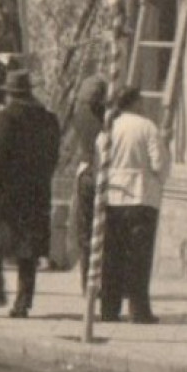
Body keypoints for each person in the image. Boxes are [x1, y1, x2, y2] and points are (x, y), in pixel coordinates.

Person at [0, 69, 59, 318]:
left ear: (10, 94)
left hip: (5, 193)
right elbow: (53, 156)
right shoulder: (48, 119)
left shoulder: (7, 117)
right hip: (35, 191)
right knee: (28, 250)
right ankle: (23, 303)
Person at [100, 86, 171, 324]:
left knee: (112, 256)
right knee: (139, 256)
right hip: (141, 197)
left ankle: (109, 308)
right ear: (136, 103)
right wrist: (158, 182)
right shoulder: (147, 127)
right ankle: (139, 310)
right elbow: (159, 162)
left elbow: (100, 158)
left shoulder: (109, 127)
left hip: (113, 196)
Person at [66, 75, 109, 292]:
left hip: (84, 172)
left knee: (85, 231)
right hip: (101, 173)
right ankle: (99, 280)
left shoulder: (79, 115)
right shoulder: (108, 118)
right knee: (103, 230)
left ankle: (86, 281)